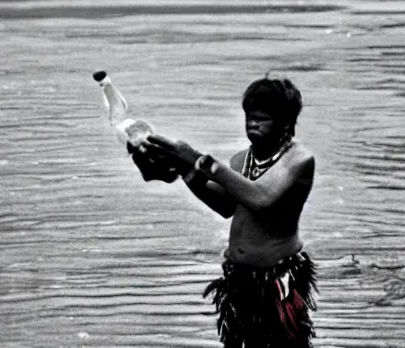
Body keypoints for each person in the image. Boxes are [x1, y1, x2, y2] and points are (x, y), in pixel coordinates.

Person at [129, 76, 317, 348]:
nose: (253, 124)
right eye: (249, 117)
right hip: (239, 281)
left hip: (278, 283)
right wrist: (184, 170)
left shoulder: (299, 159)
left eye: (262, 118)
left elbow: (260, 197)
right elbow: (226, 205)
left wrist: (199, 159)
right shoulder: (241, 159)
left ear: (285, 122)